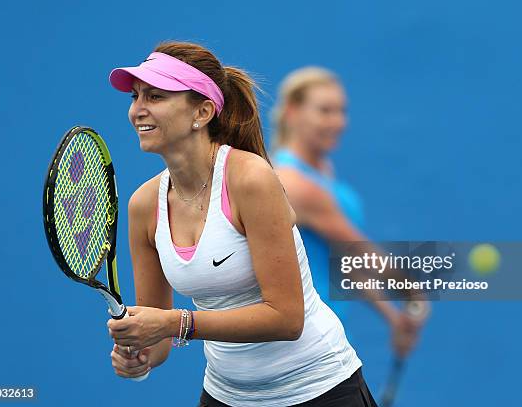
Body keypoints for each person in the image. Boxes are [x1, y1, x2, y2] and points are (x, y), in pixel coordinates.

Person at [106, 42, 378, 407]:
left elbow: (286, 318)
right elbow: (158, 336)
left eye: (155, 96)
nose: (137, 110)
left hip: (320, 391)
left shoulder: (250, 179)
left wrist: (175, 323)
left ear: (201, 112)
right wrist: (138, 355)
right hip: (227, 396)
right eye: (136, 97)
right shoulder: (144, 206)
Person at [271, 67, 426, 360]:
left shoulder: (323, 173)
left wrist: (392, 316)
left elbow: (345, 264)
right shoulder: (293, 182)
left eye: (341, 111)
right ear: (292, 112)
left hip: (329, 338)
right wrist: (411, 291)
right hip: (304, 346)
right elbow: (360, 252)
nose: (338, 122)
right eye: (325, 111)